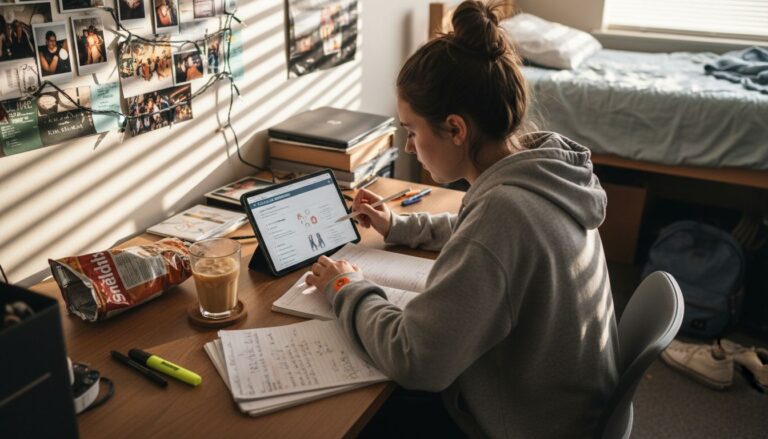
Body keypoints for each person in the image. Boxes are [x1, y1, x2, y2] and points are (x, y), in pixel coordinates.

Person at [304, 1, 619, 437]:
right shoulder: (541, 167)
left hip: (528, 424)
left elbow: (416, 359)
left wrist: (345, 286)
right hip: (562, 405)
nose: (410, 148)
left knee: (352, 419)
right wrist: (400, 226)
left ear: (455, 129)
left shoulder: (504, 214)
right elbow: (483, 235)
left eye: (412, 131)